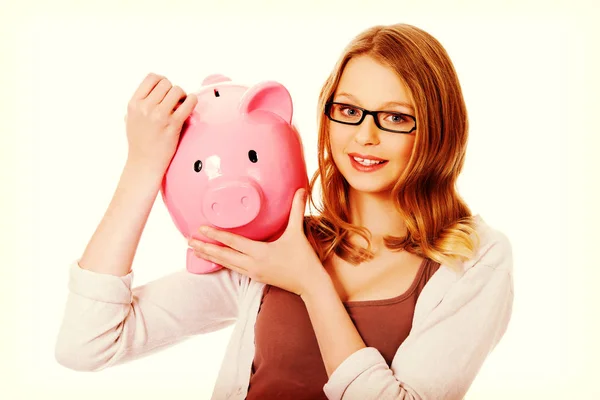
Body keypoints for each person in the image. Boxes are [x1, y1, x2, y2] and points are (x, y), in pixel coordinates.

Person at [54, 23, 514, 400]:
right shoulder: (277, 244)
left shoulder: (474, 260)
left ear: (437, 128)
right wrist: (143, 167)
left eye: (395, 117)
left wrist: (311, 283)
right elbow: (88, 343)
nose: (365, 136)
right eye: (349, 110)